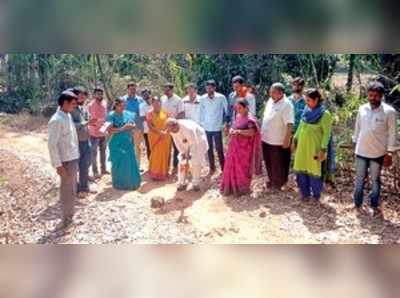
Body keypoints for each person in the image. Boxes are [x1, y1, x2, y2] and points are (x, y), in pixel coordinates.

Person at [352, 81, 398, 217]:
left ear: (381, 96)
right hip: (361, 150)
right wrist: (355, 143)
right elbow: (358, 128)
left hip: (378, 152)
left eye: (376, 96)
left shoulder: (389, 112)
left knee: (375, 180)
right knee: (359, 178)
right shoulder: (362, 108)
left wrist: (389, 152)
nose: (373, 98)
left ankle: (374, 205)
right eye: (370, 95)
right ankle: (357, 203)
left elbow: (392, 133)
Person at [292, 89, 333, 201]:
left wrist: (323, 149)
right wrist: (295, 139)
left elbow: (326, 134)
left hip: (314, 148)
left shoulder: (325, 114)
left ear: (316, 100)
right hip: (302, 147)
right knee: (300, 169)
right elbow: (301, 125)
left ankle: (316, 196)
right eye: (306, 100)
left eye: (309, 100)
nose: (306, 103)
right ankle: (304, 194)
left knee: (314, 171)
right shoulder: (306, 109)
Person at [47, 90, 80, 228]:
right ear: (65, 103)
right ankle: (65, 220)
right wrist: (58, 165)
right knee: (67, 190)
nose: (75, 106)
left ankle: (70, 217)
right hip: (65, 161)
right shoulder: (56, 120)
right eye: (73, 104)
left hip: (73, 158)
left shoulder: (67, 116)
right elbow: (51, 145)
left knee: (72, 189)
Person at [221, 99, 262, 196]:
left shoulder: (250, 119)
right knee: (231, 166)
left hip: (244, 149)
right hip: (234, 146)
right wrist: (232, 129)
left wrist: (239, 132)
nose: (238, 110)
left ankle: (241, 188)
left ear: (246, 107)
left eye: (240, 108)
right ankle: (229, 187)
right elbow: (234, 126)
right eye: (237, 108)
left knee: (242, 168)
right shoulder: (239, 116)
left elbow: (252, 132)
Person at [261, 82, 294, 190]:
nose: (270, 94)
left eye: (273, 92)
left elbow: (289, 124)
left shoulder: (287, 105)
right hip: (266, 138)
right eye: (270, 91)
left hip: (278, 140)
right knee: (268, 161)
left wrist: (287, 139)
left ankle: (279, 183)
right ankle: (272, 180)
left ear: (280, 93)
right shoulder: (271, 101)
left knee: (278, 163)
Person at [106, 98, 141, 190]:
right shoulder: (110, 116)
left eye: (124, 105)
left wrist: (132, 126)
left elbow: (133, 125)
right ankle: (119, 184)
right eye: (120, 106)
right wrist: (123, 128)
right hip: (115, 142)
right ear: (116, 105)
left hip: (127, 141)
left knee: (129, 161)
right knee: (118, 163)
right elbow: (109, 131)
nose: (123, 107)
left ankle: (130, 183)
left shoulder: (128, 114)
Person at [166, 118, 209, 192]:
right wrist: (183, 152)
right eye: (170, 131)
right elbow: (177, 142)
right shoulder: (171, 130)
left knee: (195, 162)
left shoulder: (188, 129)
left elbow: (194, 143)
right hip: (185, 145)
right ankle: (182, 183)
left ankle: (196, 183)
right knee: (182, 162)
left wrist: (190, 154)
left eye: (173, 130)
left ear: (176, 126)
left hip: (198, 142)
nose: (172, 132)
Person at [70, 86, 96, 198]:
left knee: (86, 164)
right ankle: (78, 189)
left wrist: (91, 122)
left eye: (84, 96)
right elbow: (70, 125)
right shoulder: (70, 109)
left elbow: (86, 119)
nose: (82, 98)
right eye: (80, 96)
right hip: (76, 142)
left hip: (86, 139)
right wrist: (85, 123)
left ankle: (84, 186)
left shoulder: (83, 108)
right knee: (78, 166)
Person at [199, 79, 229, 175]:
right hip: (207, 127)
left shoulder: (221, 97)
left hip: (217, 127)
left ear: (214, 88)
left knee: (219, 149)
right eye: (207, 88)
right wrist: (201, 124)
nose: (208, 89)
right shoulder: (203, 98)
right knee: (209, 148)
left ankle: (224, 168)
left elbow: (226, 111)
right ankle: (212, 168)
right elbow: (201, 112)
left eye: (210, 87)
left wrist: (225, 123)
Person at [146, 97, 172, 181]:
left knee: (165, 153)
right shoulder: (149, 113)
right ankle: (155, 173)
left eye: (158, 102)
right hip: (154, 136)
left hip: (165, 136)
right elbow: (150, 126)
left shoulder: (166, 113)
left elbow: (169, 124)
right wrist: (159, 132)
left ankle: (164, 172)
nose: (156, 104)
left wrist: (165, 132)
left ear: (160, 103)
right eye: (155, 102)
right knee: (155, 154)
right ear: (152, 103)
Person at [161, 83, 184, 174]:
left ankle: (175, 167)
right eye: (164, 90)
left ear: (171, 90)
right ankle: (165, 167)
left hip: (175, 128)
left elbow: (182, 113)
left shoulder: (178, 100)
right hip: (165, 128)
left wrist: (173, 123)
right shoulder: (162, 99)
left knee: (176, 148)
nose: (165, 91)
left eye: (167, 90)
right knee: (166, 148)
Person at [123, 81, 145, 170]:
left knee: (137, 148)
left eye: (134, 88)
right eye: (131, 89)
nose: (133, 90)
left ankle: (137, 166)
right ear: (127, 89)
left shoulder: (140, 100)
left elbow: (143, 113)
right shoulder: (122, 100)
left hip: (138, 128)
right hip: (126, 128)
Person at [88, 87, 109, 179]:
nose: (99, 95)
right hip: (94, 133)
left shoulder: (104, 103)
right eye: (97, 94)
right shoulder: (90, 105)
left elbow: (105, 117)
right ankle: (95, 171)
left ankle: (103, 169)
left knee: (103, 152)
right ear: (94, 95)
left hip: (103, 132)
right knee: (94, 153)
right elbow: (89, 118)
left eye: (101, 94)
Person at [140, 89, 153, 161]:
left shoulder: (156, 103)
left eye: (147, 94)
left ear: (150, 94)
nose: (146, 96)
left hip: (157, 130)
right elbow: (142, 117)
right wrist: (153, 117)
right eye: (144, 95)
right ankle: (151, 165)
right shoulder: (141, 106)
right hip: (147, 131)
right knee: (149, 147)